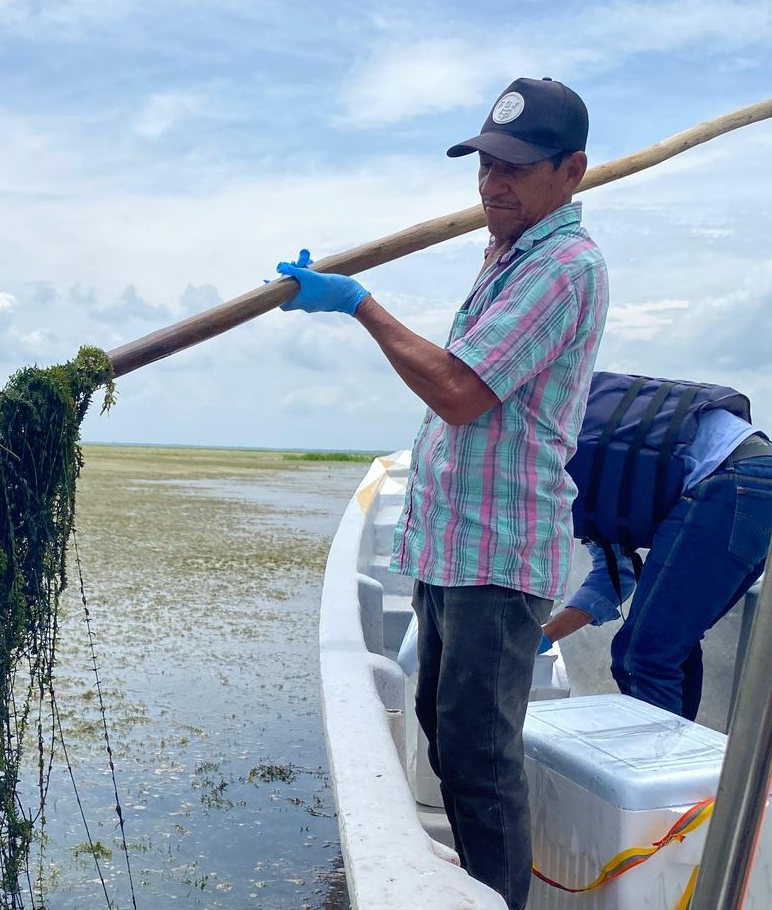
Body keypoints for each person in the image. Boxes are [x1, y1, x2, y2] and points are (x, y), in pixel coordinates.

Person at [276, 77, 608, 910]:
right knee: (441, 725)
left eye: (518, 169)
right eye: (486, 165)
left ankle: (497, 896)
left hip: (499, 556)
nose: (494, 184)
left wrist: (359, 303)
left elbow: (460, 392)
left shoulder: (565, 265)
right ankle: (478, 882)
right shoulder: (509, 252)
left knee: (480, 758)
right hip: (452, 546)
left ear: (573, 171)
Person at [541, 373, 772, 721]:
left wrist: (534, 640)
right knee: (671, 648)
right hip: (754, 479)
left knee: (643, 658)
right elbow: (615, 575)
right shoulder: (584, 447)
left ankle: (657, 769)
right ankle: (684, 767)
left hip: (727, 482)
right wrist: (544, 638)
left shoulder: (545, 462)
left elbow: (613, 576)